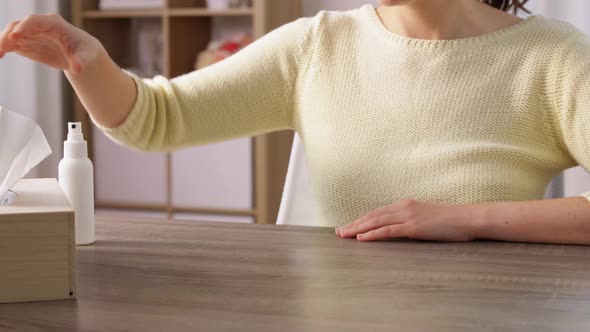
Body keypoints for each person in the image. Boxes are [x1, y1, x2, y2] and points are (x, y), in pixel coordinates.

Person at [1, 0, 589, 244]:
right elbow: (158, 118)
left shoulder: (553, 58)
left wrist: (466, 219)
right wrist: (88, 63)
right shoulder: (316, 45)